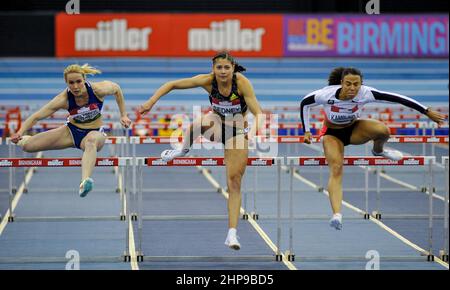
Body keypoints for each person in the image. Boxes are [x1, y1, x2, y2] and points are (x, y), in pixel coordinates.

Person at [139, 51, 265, 250]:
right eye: (219, 68)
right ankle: (182, 150)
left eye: (226, 68)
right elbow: (171, 84)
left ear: (233, 69)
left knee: (234, 182)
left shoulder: (241, 84)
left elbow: (259, 114)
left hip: (238, 130)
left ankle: (232, 234)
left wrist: (253, 132)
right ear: (213, 69)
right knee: (198, 122)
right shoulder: (206, 81)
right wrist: (150, 102)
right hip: (215, 125)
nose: (223, 71)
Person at [300, 67, 446, 230]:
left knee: (383, 130)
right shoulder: (325, 95)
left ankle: (378, 151)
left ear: (362, 85)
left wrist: (426, 111)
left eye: (357, 84)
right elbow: (305, 104)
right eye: (348, 84)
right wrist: (306, 130)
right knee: (336, 168)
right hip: (332, 134)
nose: (352, 88)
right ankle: (337, 215)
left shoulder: (366, 93)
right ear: (341, 83)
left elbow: (398, 98)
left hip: (354, 129)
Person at [10, 64, 131, 197]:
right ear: (66, 83)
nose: (75, 86)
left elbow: (117, 89)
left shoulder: (98, 90)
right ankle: (23, 140)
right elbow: (37, 116)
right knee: (28, 146)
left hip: (95, 133)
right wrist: (20, 132)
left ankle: (84, 182)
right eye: (71, 83)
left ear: (84, 79)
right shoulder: (63, 99)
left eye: (78, 81)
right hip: (71, 132)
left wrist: (123, 115)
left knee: (91, 142)